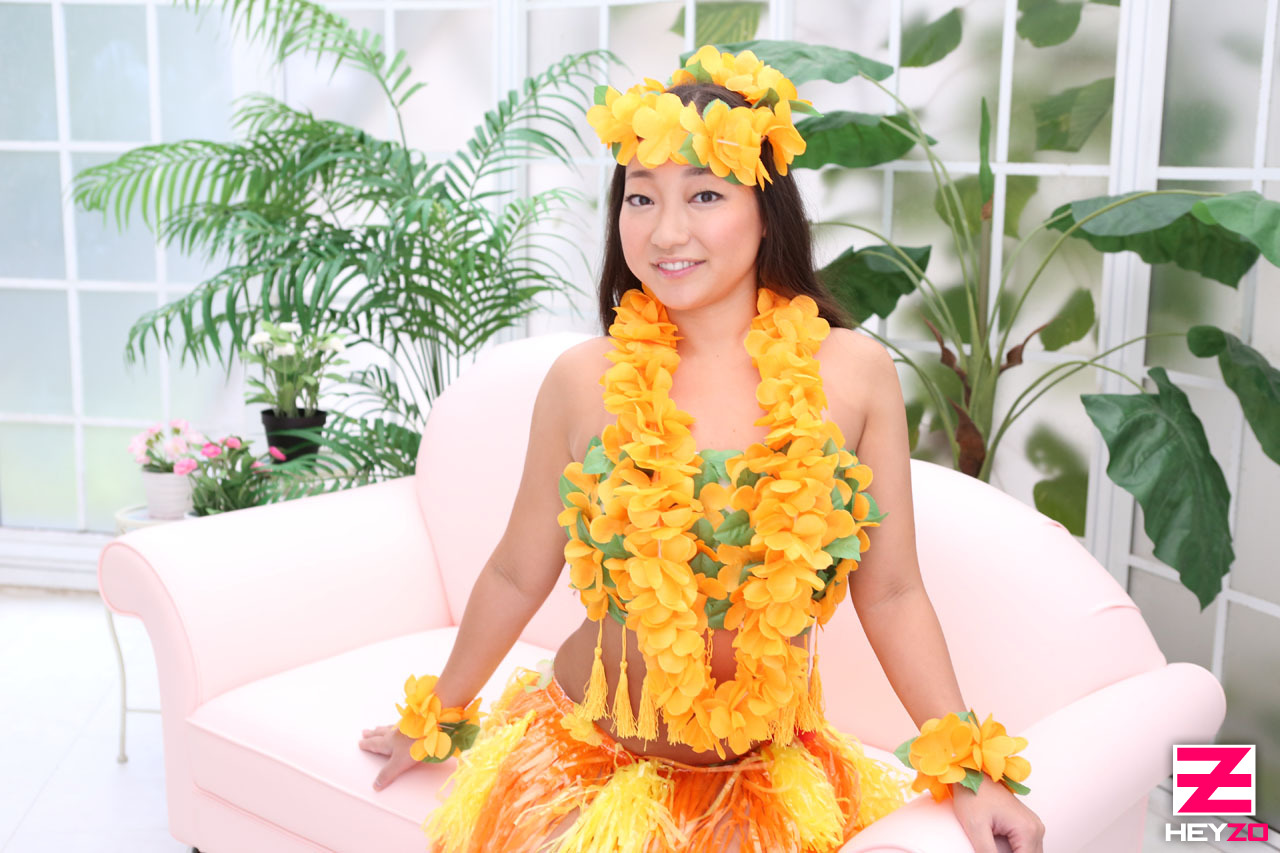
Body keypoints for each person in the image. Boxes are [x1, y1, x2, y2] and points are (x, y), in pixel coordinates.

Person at [358, 45, 1046, 853]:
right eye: (640, 197)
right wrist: (436, 716)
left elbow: (892, 592)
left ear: (767, 210)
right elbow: (516, 570)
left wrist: (970, 771)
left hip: (764, 777)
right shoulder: (584, 380)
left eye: (705, 194)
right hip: (587, 757)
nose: (667, 230)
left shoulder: (855, 375)